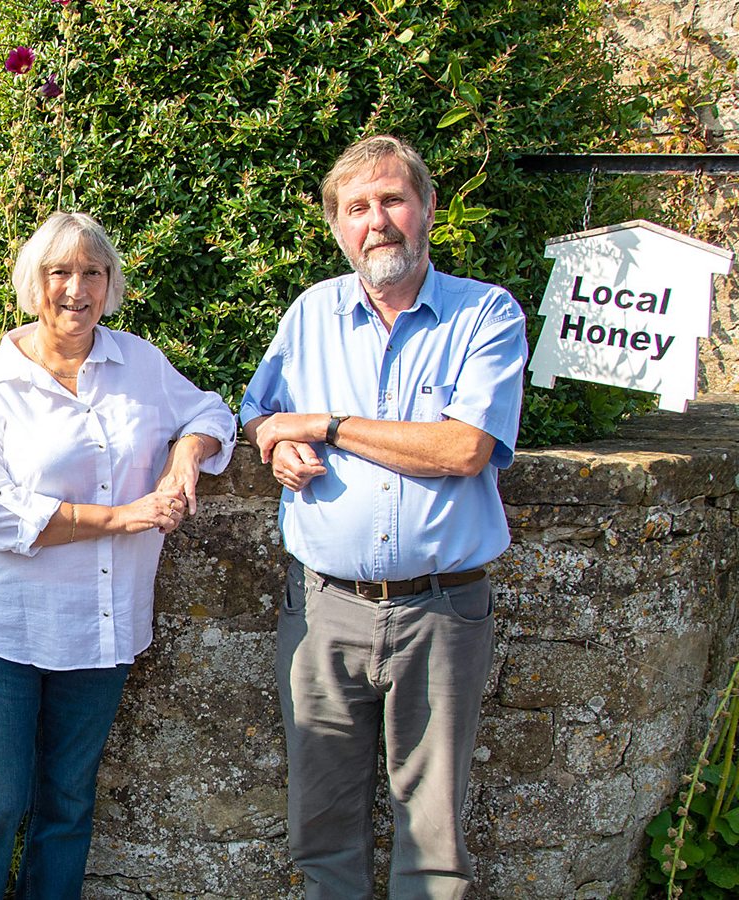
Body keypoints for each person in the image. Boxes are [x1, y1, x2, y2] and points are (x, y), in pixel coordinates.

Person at [240, 135, 527, 898]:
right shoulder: (309, 314)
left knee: (432, 839)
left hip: (440, 609)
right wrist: (275, 445)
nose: (378, 221)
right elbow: (260, 412)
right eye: (357, 207)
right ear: (337, 225)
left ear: (427, 209)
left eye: (393, 200)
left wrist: (327, 426)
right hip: (325, 610)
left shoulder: (485, 314)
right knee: (322, 830)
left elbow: (464, 447)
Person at [0, 211, 236, 899]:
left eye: (92, 273)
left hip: (102, 625)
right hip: (7, 626)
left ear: (110, 284)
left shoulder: (137, 362)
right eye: (60, 272)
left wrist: (185, 458)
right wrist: (123, 516)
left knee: (68, 802)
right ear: (32, 283)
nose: (76, 288)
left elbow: (212, 413)